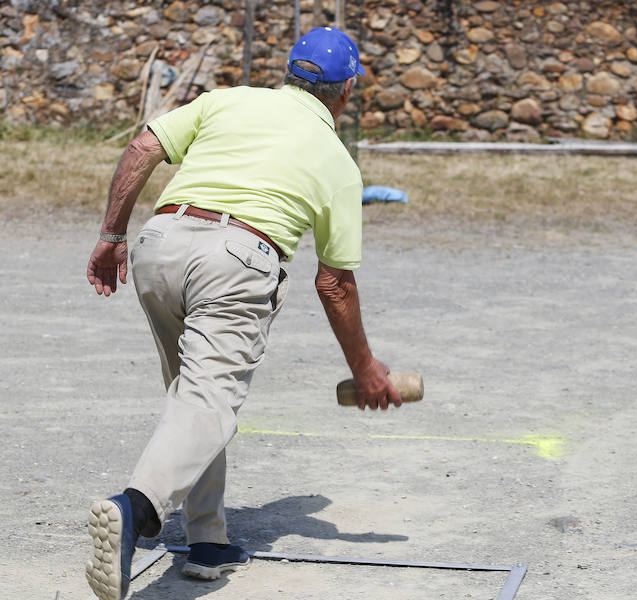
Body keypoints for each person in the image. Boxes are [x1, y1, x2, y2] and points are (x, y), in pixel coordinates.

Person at [84, 27, 401, 600]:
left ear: (290, 71)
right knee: (209, 399)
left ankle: (207, 541)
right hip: (237, 258)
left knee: (193, 394)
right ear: (347, 91)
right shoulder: (337, 160)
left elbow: (142, 149)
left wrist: (112, 234)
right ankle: (134, 510)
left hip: (159, 242)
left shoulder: (229, 98)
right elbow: (336, 284)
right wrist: (366, 367)